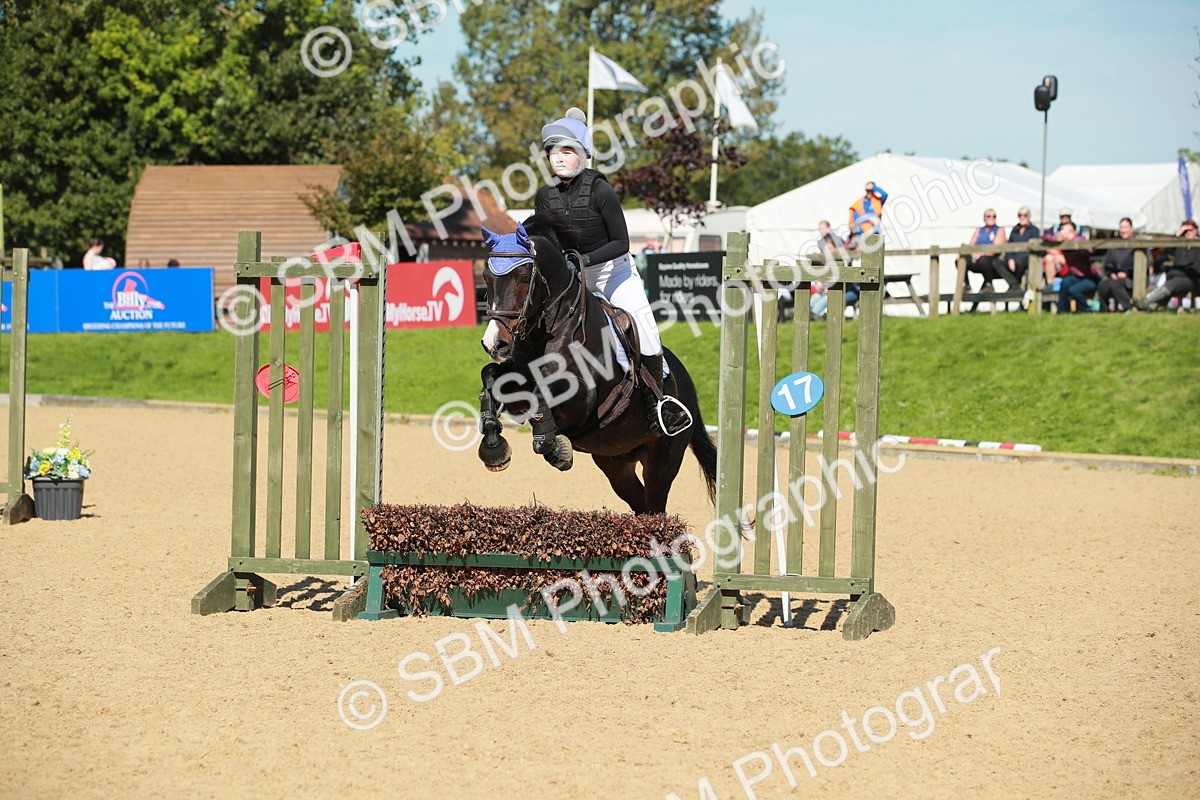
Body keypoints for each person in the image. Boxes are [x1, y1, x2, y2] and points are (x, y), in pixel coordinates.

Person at [533, 107, 689, 436]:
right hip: (572, 280)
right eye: (552, 152)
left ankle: (659, 404)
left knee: (644, 327)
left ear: (584, 155)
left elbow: (621, 242)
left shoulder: (602, 191)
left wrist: (583, 261)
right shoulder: (545, 197)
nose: (558, 158)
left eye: (567, 151)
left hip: (614, 273)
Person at [1139, 219, 1200, 311]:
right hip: (1177, 277)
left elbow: (1196, 269)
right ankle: (1154, 307)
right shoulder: (1180, 245)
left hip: (1194, 279)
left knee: (1173, 283)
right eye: (1185, 231)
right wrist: (1177, 236)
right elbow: (1167, 249)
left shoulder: (1198, 246)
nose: (1187, 233)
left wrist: (1176, 272)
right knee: (1172, 284)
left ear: (1196, 230)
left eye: (1190, 230)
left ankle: (1145, 301)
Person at [1042, 221, 1097, 313]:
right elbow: (1044, 237)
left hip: (1089, 277)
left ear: (1074, 232)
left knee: (1074, 290)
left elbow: (1090, 249)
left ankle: (1088, 310)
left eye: (1066, 230)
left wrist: (1073, 240)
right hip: (1074, 277)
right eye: (1062, 230)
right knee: (1065, 283)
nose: (1063, 232)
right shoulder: (1064, 243)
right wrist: (1056, 239)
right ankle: (1061, 311)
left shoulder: (1080, 240)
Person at [1096, 217, 1141, 312]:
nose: (1123, 230)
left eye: (1125, 227)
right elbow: (1108, 264)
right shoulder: (1115, 244)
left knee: (1115, 285)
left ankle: (1129, 308)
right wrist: (1111, 273)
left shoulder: (1137, 243)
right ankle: (1104, 311)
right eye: (1121, 227)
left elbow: (1141, 265)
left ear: (1131, 228)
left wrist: (1127, 273)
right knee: (1103, 285)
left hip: (1132, 278)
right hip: (1115, 276)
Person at [965, 208, 1008, 292]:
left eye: (994, 216)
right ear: (984, 218)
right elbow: (970, 245)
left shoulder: (999, 230)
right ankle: (966, 284)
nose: (991, 218)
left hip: (992, 260)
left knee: (984, 260)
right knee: (961, 259)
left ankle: (988, 283)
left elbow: (996, 248)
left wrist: (981, 253)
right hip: (977, 258)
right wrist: (972, 253)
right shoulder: (979, 230)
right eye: (988, 216)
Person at [847, 182, 887, 251]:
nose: (869, 192)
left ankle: (860, 241)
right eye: (867, 190)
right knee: (873, 220)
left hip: (872, 228)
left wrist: (873, 187)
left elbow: (885, 194)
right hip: (861, 226)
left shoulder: (878, 201)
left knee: (877, 228)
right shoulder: (860, 202)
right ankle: (859, 242)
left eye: (871, 190)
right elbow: (853, 215)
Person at [1006, 206, 1040, 288]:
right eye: (1020, 215)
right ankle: (1015, 285)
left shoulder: (1034, 230)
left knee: (1021, 262)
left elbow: (1035, 248)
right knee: (995, 263)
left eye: (1025, 215)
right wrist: (1010, 259)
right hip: (1013, 260)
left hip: (1026, 260)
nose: (1022, 217)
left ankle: (1014, 286)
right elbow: (1008, 246)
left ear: (1029, 216)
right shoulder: (1014, 230)